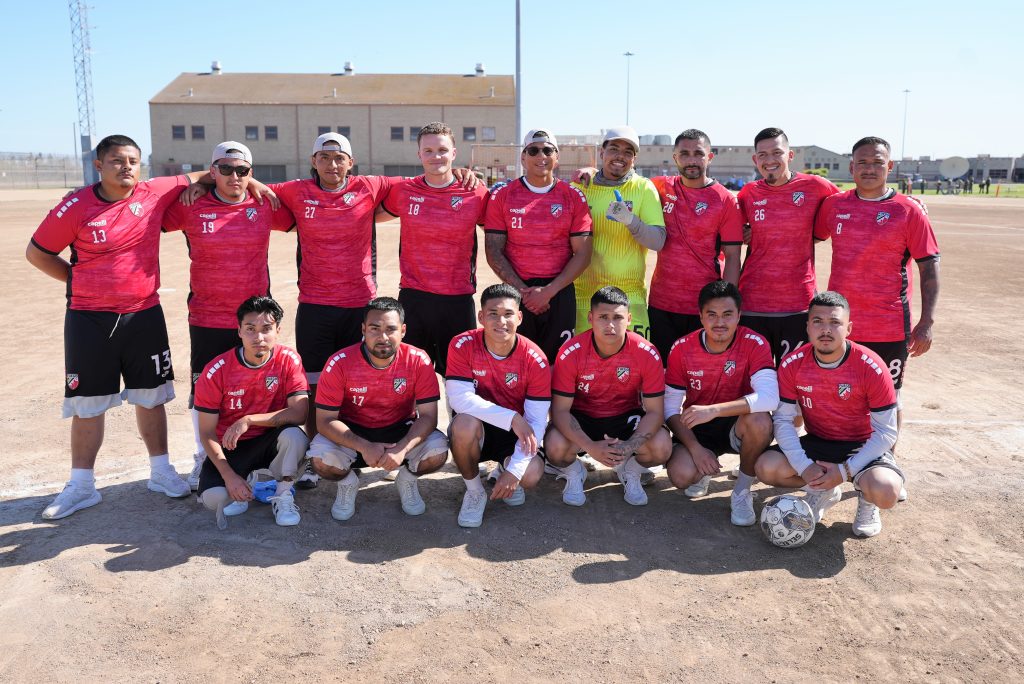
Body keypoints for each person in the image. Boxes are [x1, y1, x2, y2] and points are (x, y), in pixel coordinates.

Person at [26, 134, 215, 519]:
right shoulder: (75, 206)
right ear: (99, 165)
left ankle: (161, 472)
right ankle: (81, 485)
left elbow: (209, 174)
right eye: (116, 160)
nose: (126, 167)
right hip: (88, 319)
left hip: (143, 314)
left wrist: (253, 182)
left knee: (151, 396)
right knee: (89, 403)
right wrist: (79, 281)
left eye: (132, 160)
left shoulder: (153, 192)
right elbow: (37, 254)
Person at [162, 141, 295, 490]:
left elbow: (308, 209)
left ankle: (278, 457)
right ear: (212, 170)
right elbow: (154, 205)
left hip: (256, 320)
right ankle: (203, 456)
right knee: (203, 391)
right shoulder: (191, 205)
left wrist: (256, 185)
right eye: (224, 168)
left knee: (267, 388)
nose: (234, 176)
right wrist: (200, 183)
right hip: (207, 315)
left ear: (252, 172)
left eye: (242, 170)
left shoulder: (265, 203)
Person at [814, 136, 940, 440]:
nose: (869, 169)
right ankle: (836, 464)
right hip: (840, 324)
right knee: (838, 393)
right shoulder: (834, 205)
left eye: (877, 162)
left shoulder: (908, 210)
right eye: (863, 162)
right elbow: (805, 235)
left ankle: (886, 463)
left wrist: (926, 322)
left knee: (889, 398)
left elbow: (929, 267)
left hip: (889, 326)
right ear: (852, 166)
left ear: (890, 166)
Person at [756, 291, 903, 538]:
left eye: (835, 322)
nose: (826, 329)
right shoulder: (792, 364)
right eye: (818, 322)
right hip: (819, 442)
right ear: (807, 327)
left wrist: (845, 471)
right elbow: (782, 420)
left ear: (849, 328)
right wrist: (804, 467)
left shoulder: (871, 366)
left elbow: (887, 433)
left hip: (862, 445)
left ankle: (867, 500)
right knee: (766, 468)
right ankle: (821, 490)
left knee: (886, 491)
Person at [305, 297, 449, 520]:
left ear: (403, 330)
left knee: (438, 452)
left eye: (390, 329)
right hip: (352, 432)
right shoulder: (339, 362)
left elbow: (429, 416)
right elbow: (324, 420)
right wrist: (364, 446)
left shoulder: (418, 360)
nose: (382, 337)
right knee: (320, 460)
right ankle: (347, 483)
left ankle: (407, 479)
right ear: (363, 329)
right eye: (374, 328)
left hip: (400, 429)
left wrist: (401, 449)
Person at [377, 122, 489, 377]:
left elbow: (500, 233)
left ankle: (460, 419)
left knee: (460, 378)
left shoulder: (475, 192)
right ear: (419, 154)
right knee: (412, 375)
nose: (435, 156)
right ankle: (413, 419)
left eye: (442, 150)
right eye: (428, 151)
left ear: (454, 153)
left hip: (457, 300)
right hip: (415, 297)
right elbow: (364, 213)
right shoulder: (404, 191)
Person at [544, 287, 672, 506]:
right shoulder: (571, 351)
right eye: (603, 317)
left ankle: (630, 470)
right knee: (554, 446)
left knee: (661, 446)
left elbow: (655, 412)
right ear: (590, 318)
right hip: (583, 419)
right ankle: (574, 472)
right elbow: (559, 411)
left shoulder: (646, 352)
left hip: (626, 419)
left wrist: (628, 446)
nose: (610, 325)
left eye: (618, 317)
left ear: (629, 319)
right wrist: (590, 446)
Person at [663, 280, 777, 525]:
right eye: (712, 315)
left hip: (738, 424)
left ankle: (742, 490)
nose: (720, 322)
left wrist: (714, 410)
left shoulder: (755, 343)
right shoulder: (682, 348)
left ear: (739, 316)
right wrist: (695, 448)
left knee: (760, 420)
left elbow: (770, 397)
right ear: (701, 317)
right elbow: (670, 408)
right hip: (699, 428)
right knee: (681, 477)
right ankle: (704, 466)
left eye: (727, 314)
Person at [193, 296, 309, 529]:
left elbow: (300, 413)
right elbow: (206, 432)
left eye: (266, 329)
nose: (258, 337)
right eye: (250, 329)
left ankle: (284, 492)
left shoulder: (289, 359)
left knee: (295, 436)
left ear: (278, 330)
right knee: (214, 500)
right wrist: (228, 475)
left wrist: (248, 420)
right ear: (239, 331)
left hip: (269, 440)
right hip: (232, 445)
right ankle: (247, 479)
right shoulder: (217, 370)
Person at [445, 284, 551, 527]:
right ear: (481, 317)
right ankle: (474, 491)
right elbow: (459, 399)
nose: (501, 321)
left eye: (508, 314)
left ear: (520, 317)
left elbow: (536, 421)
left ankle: (503, 471)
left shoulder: (535, 358)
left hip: (515, 433)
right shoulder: (461, 344)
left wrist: (514, 471)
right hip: (479, 427)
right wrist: (512, 417)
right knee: (462, 424)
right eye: (493, 313)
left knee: (531, 473)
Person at [484, 129, 593, 363]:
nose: (540, 155)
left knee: (559, 365)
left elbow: (583, 253)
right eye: (533, 150)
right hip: (517, 292)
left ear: (557, 157)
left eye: (547, 150)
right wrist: (524, 293)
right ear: (523, 158)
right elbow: (493, 251)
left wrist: (549, 292)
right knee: (520, 363)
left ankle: (556, 402)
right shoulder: (503, 195)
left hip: (559, 291)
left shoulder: (573, 196)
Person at [737, 127, 840, 363]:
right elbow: (729, 228)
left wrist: (906, 200)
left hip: (798, 305)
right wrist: (747, 231)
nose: (770, 160)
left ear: (790, 155)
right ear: (755, 159)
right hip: (752, 304)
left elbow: (853, 203)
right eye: (762, 155)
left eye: (777, 153)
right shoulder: (748, 193)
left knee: (792, 381)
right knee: (756, 381)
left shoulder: (816, 186)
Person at [648, 129, 744, 359]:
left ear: (709, 157)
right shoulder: (659, 187)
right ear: (675, 158)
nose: (691, 160)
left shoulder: (725, 200)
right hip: (662, 303)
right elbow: (625, 181)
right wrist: (592, 170)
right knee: (664, 372)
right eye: (684, 154)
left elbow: (732, 256)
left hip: (704, 307)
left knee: (700, 372)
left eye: (698, 153)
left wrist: (726, 304)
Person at [570, 126, 665, 340]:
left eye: (628, 152)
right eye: (614, 149)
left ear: (634, 159)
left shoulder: (643, 188)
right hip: (584, 296)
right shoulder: (581, 186)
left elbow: (658, 241)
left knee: (634, 367)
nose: (620, 156)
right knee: (584, 367)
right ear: (601, 153)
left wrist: (630, 220)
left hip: (630, 298)